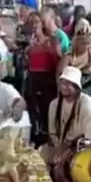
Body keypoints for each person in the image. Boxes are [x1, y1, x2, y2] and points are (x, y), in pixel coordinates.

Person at [43, 67, 91, 166]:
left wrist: (68, 147)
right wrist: (58, 147)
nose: (64, 86)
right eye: (62, 83)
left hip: (79, 148)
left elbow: (87, 135)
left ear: (77, 87)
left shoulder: (87, 104)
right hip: (59, 146)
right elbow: (52, 132)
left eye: (68, 83)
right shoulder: (54, 104)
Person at [26, 12, 60, 143]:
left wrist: (52, 50)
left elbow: (58, 61)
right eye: (31, 23)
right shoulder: (30, 43)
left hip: (47, 81)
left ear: (42, 23)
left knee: (47, 112)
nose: (34, 25)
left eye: (36, 22)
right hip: (32, 80)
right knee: (34, 112)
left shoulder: (51, 41)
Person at [58, 18, 91, 102]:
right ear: (76, 42)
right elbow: (60, 77)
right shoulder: (68, 57)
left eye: (88, 43)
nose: (86, 46)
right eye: (83, 43)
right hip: (73, 92)